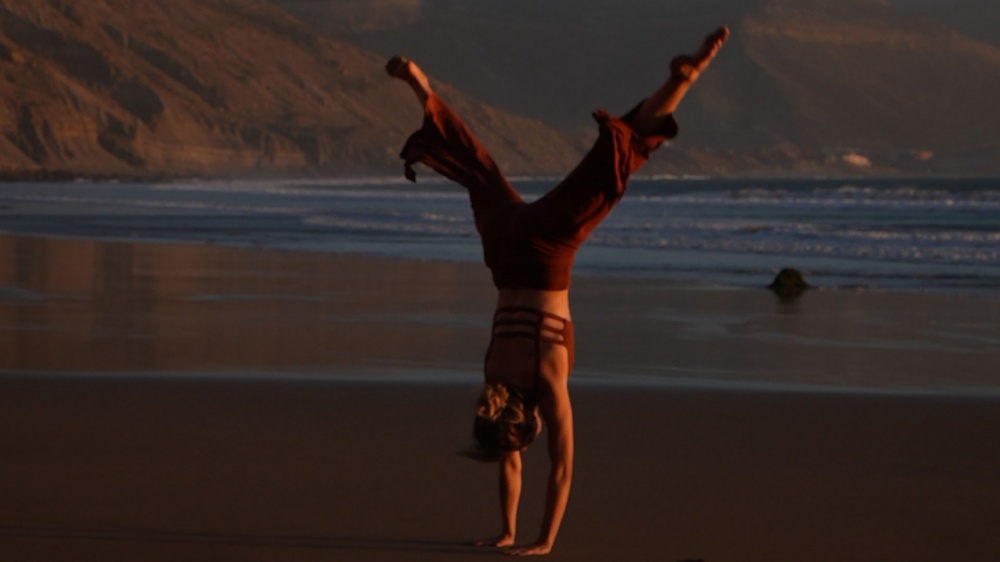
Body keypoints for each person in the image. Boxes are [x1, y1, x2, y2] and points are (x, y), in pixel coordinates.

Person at [386, 26, 729, 556]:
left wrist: (543, 540)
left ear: (531, 420)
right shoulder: (495, 381)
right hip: (505, 249)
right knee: (479, 168)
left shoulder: (545, 378)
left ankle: (680, 81)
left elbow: (561, 466)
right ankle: (421, 87)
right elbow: (508, 451)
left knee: (613, 167)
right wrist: (507, 533)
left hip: (547, 255)